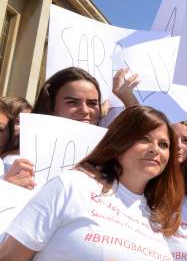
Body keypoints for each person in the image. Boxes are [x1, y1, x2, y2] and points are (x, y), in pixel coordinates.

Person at [0, 106, 184, 261]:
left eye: (164, 144)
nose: (155, 148)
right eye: (144, 138)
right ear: (119, 142)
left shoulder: (157, 217)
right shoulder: (72, 186)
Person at [4, 67, 139, 189]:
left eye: (92, 103)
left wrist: (128, 98)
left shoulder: (109, 160)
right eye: (72, 102)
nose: (85, 110)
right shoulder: (15, 163)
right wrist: (8, 188)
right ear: (50, 106)